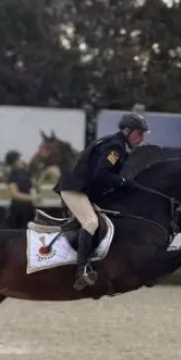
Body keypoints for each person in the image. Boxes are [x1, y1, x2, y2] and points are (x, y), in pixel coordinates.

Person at [55, 112, 150, 290]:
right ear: (127, 131)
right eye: (139, 133)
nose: (142, 137)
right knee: (90, 222)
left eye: (143, 133)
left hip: (87, 190)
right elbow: (102, 174)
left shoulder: (118, 145)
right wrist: (122, 182)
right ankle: (81, 269)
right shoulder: (115, 147)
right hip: (75, 190)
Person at [3, 151, 36, 229]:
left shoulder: (27, 173)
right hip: (18, 210)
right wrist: (32, 197)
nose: (21, 160)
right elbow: (15, 195)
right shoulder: (12, 176)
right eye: (19, 159)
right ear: (15, 161)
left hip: (28, 209)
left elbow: (35, 185)